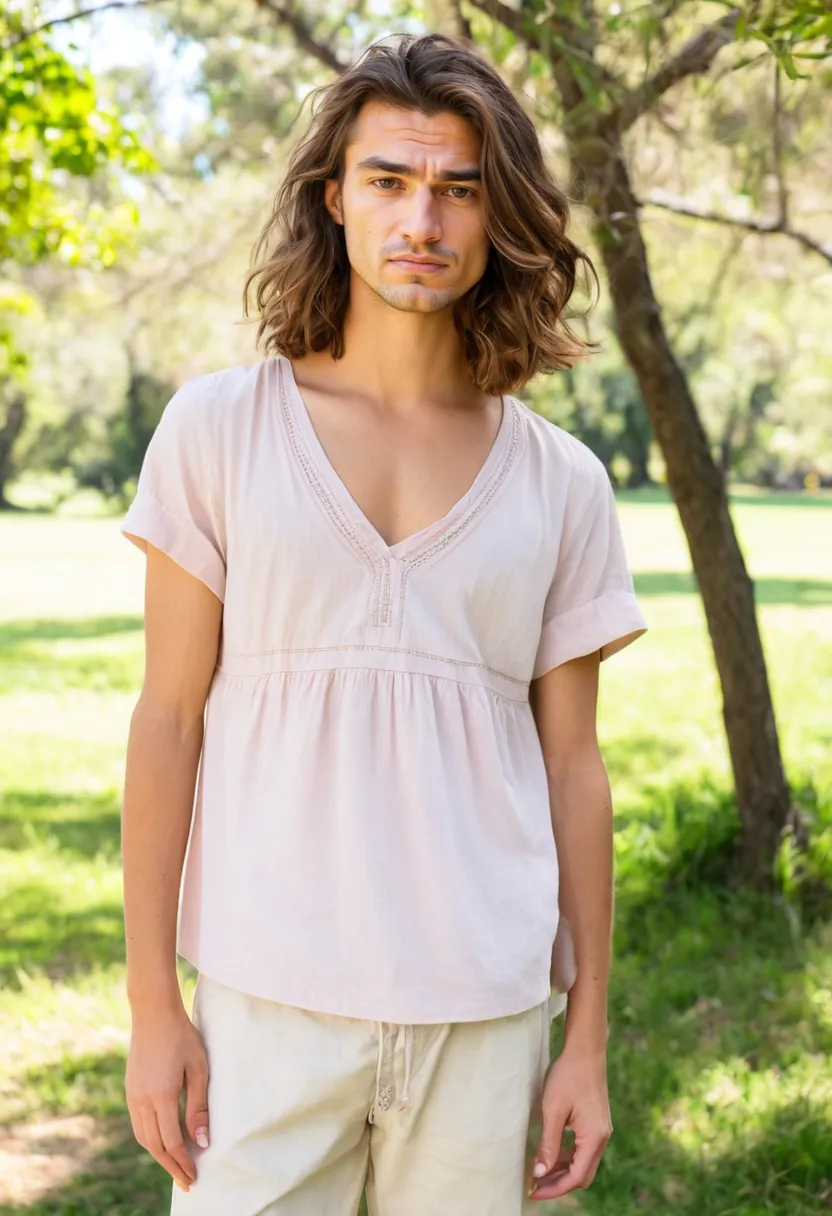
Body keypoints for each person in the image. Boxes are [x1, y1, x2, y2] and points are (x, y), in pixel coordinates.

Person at [120, 31, 647, 1216]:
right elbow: (166, 720)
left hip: (487, 1011)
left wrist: (587, 1037)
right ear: (335, 199)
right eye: (390, 181)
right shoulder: (219, 429)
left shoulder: (563, 481)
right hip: (268, 1003)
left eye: (460, 189)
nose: (425, 219)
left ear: (497, 214)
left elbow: (574, 767)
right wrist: (155, 1005)